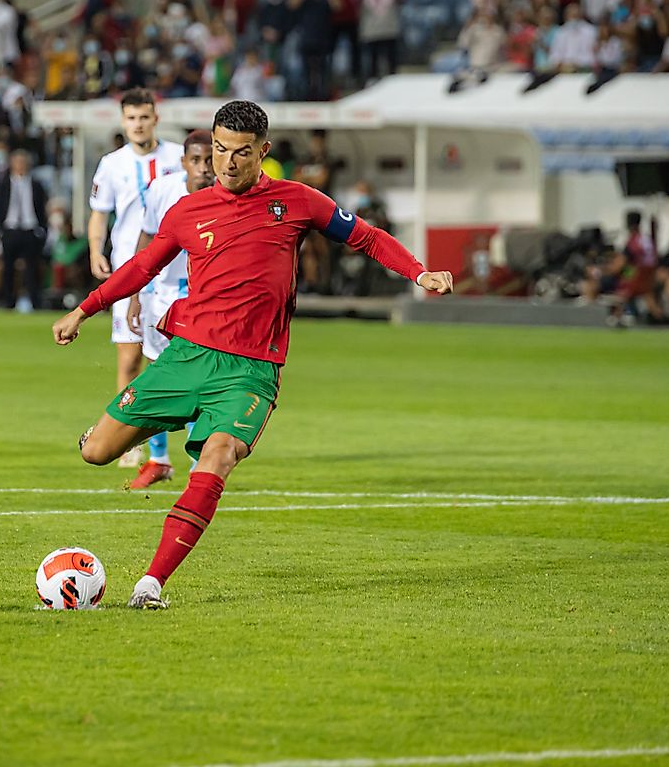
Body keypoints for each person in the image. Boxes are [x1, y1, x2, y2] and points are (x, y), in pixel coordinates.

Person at [51, 100, 454, 609]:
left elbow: (366, 237)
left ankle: (150, 584)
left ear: (263, 152)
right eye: (219, 149)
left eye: (241, 153)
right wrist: (83, 311)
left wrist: (419, 272)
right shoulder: (187, 211)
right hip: (186, 359)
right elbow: (141, 269)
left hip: (249, 372)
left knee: (217, 459)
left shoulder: (299, 201)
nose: (227, 162)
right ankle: (155, 420)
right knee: (96, 453)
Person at [86, 89, 184, 468]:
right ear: (123, 121)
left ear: (155, 118)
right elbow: (100, 212)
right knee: (129, 361)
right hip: (131, 272)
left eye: (144, 117)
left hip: (174, 272)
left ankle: (170, 451)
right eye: (131, 118)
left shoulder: (178, 158)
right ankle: (130, 441)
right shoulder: (112, 164)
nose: (138, 124)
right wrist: (95, 249)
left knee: (172, 358)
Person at [123, 130, 217, 489]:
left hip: (204, 301)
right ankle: (159, 460)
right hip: (161, 299)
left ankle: (198, 465)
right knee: (158, 376)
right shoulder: (163, 190)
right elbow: (147, 240)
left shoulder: (226, 196)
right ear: (183, 162)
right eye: (196, 160)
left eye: (209, 160)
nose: (204, 168)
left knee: (200, 382)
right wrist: (134, 293)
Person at [0, 149, 48, 311]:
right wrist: (1, 228)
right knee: (7, 268)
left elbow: (42, 209)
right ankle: (8, 302)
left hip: (30, 231)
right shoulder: (3, 184)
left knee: (32, 269)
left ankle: (35, 302)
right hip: (10, 230)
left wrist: (42, 230)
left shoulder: (36, 185)